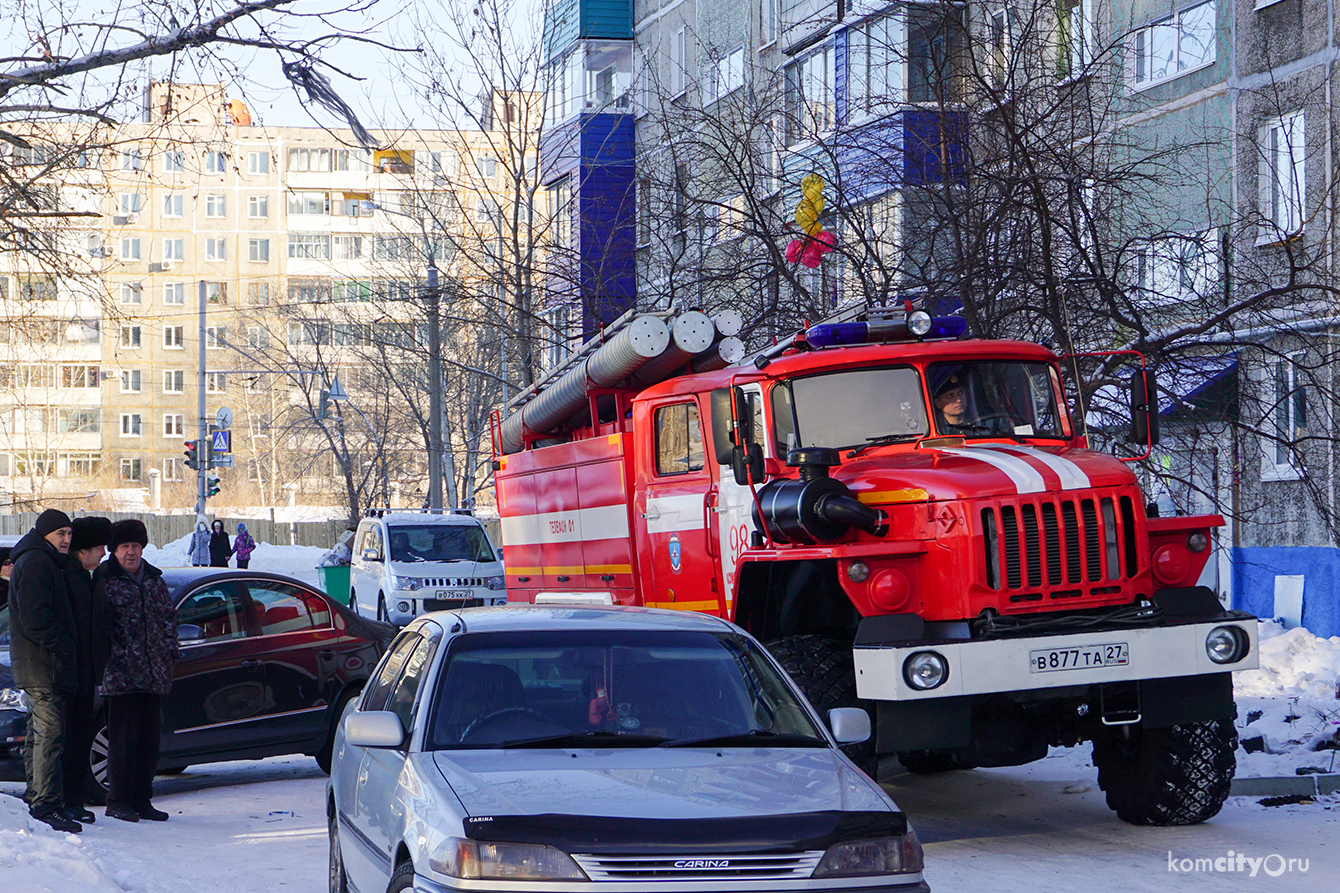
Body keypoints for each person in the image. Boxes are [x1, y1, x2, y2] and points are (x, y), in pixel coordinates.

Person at [96, 519, 179, 823]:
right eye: (124, 547)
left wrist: (170, 654)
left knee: (149, 743)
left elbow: (169, 619)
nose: (131, 552)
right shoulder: (104, 580)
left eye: (136, 546)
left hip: (153, 673)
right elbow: (98, 629)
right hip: (118, 677)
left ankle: (143, 800)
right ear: (114, 551)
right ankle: (118, 800)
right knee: (121, 743)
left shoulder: (154, 580)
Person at [9, 508, 81, 833]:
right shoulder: (38, 562)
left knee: (38, 734)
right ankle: (46, 805)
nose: (66, 540)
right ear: (45, 535)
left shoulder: (38, 558)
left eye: (69, 533)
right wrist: (65, 643)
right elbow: (35, 618)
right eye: (60, 534)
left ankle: (35, 795)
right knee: (49, 735)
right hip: (44, 665)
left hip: (37, 664)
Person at [62, 517, 113, 826]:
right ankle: (67, 800)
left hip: (86, 671)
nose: (104, 554)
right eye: (100, 548)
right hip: (72, 672)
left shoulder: (89, 577)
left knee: (80, 738)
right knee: (70, 739)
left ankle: (74, 799)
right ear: (85, 550)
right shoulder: (70, 578)